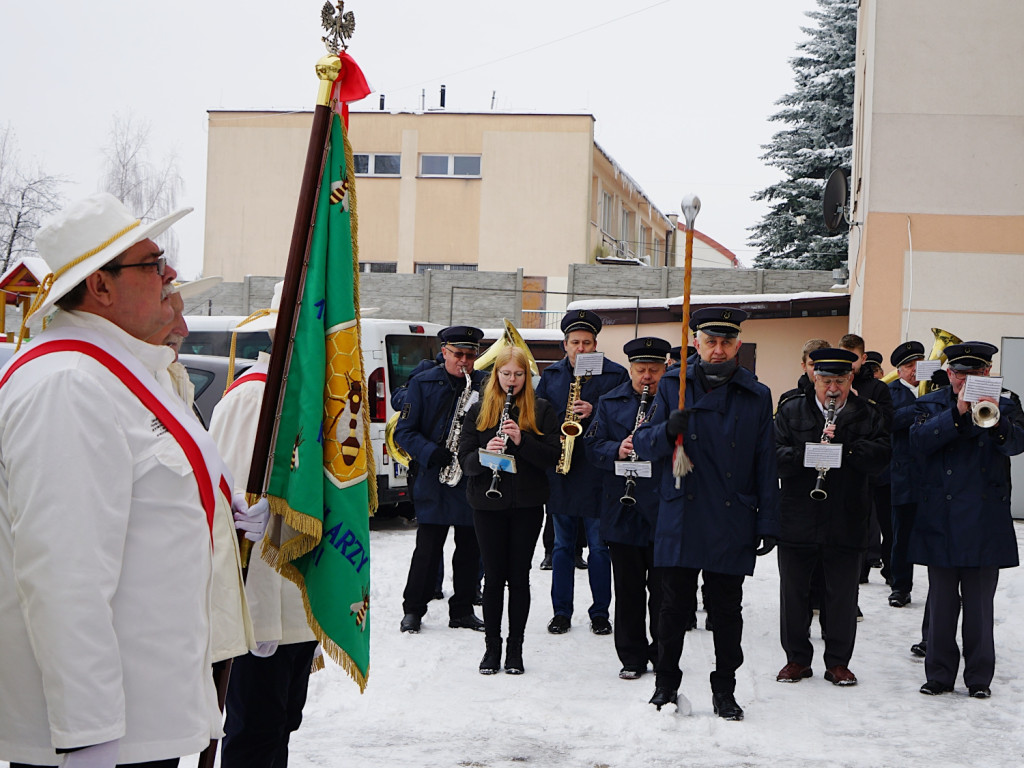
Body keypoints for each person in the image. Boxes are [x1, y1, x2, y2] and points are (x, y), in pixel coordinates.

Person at [0, 193, 228, 767]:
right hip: (106, 738)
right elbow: (64, 577)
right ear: (100, 287)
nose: (170, 275)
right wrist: (88, 734)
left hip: (144, 720)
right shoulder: (71, 386)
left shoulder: (119, 374)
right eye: (153, 264)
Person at [634, 307, 778, 720]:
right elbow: (643, 444)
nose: (718, 350)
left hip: (732, 516)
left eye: (726, 342)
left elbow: (764, 461)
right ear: (696, 342)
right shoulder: (673, 386)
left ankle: (725, 690)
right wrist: (665, 430)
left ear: (737, 345)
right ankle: (665, 684)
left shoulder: (756, 394)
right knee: (671, 608)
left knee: (726, 611)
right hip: (683, 512)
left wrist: (767, 519)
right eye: (710, 341)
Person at [208, 282, 319, 768]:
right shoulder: (256, 397)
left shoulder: (305, 393)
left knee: (279, 728)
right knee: (255, 735)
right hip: (263, 607)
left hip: (298, 600)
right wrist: (254, 615)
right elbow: (235, 519)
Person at [908, 341, 1024, 698]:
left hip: (984, 520)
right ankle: (939, 675)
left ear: (987, 372)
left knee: (979, 609)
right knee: (942, 606)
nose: (966, 380)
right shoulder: (931, 403)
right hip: (940, 519)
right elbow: (918, 442)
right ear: (950, 373)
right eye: (960, 373)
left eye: (975, 373)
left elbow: (1016, 444)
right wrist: (957, 413)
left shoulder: (1007, 403)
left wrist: (997, 419)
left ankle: (978, 679)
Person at [774, 347, 890, 688]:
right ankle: (796, 659)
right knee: (793, 594)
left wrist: (845, 450)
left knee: (841, 595)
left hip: (847, 515)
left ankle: (838, 662)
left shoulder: (866, 413)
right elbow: (775, 455)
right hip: (798, 515)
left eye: (839, 380)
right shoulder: (791, 408)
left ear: (850, 379)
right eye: (825, 380)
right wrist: (810, 452)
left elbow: (882, 456)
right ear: (814, 378)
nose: (832, 389)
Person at [458, 345, 561, 674]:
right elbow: (466, 461)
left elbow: (551, 457)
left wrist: (522, 441)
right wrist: (488, 452)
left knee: (519, 578)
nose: (512, 380)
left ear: (526, 378)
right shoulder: (479, 412)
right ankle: (492, 647)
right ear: (496, 376)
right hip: (487, 504)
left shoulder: (541, 410)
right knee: (493, 575)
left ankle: (515, 649)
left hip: (527, 504)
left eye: (518, 375)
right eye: (506, 374)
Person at [536, 309, 628, 635]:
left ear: (596, 344)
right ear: (565, 344)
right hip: (563, 470)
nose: (581, 348)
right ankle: (561, 612)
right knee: (561, 546)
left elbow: (624, 420)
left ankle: (600, 613)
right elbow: (539, 415)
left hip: (598, 471)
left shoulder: (615, 375)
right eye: (575, 342)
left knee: (600, 548)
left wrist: (596, 411)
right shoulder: (551, 376)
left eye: (587, 343)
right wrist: (557, 428)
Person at [585, 336, 671, 680]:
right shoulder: (610, 401)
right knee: (629, 589)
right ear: (631, 370)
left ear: (665, 370)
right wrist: (616, 449)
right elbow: (592, 445)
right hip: (623, 507)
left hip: (663, 507)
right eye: (640, 370)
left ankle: (663, 652)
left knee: (664, 592)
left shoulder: (673, 403)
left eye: (653, 370)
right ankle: (632, 656)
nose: (646, 377)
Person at [395, 325, 487, 633]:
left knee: (470, 550)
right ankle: (413, 610)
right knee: (427, 549)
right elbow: (404, 431)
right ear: (444, 352)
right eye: (458, 354)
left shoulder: (484, 385)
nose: (464, 361)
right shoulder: (422, 383)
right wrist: (429, 452)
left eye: (470, 355)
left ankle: (462, 609)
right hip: (435, 478)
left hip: (470, 478)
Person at [886, 341, 926, 609]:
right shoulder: (890, 392)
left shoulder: (939, 388)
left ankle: (945, 589)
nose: (914, 371)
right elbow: (889, 421)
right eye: (909, 366)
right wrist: (922, 406)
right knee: (903, 535)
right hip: (904, 473)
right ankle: (900, 586)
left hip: (934, 474)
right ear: (899, 371)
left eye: (918, 365)